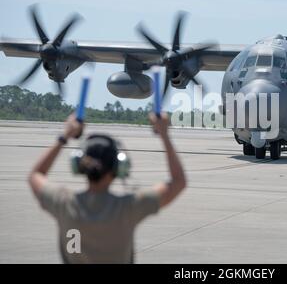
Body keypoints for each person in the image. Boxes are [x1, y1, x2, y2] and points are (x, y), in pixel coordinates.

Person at [28, 112, 186, 263]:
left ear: (79, 165)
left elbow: (35, 175)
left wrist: (65, 136)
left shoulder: (64, 203)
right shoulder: (129, 207)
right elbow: (179, 181)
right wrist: (164, 134)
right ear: (119, 167)